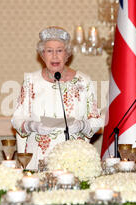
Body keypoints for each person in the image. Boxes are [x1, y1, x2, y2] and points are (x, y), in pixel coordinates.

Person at [11, 26, 103, 170]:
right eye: (49, 51)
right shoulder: (31, 81)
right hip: (39, 158)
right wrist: (32, 126)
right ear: (42, 55)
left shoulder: (83, 81)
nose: (54, 56)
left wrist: (81, 125)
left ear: (67, 55)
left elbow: (96, 120)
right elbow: (16, 119)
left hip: (73, 158)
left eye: (59, 50)